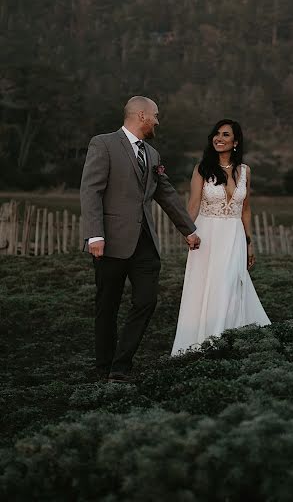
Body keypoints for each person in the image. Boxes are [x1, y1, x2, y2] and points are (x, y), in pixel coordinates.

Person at [80, 96, 200, 382]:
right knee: (107, 306)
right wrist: (95, 234)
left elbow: (167, 194)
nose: (158, 121)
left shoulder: (153, 155)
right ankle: (103, 366)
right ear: (142, 115)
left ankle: (121, 364)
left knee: (147, 301)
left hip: (145, 244)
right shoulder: (104, 144)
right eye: (156, 115)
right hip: (109, 242)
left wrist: (189, 229)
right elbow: (90, 190)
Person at [171, 119, 271, 355]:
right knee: (206, 286)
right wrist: (188, 231)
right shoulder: (202, 168)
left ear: (235, 142)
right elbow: (193, 204)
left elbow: (245, 209)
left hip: (234, 236)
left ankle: (226, 337)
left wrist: (249, 243)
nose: (219, 138)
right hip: (207, 235)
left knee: (230, 284)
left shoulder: (245, 171)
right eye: (216, 134)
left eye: (226, 135)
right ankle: (203, 341)